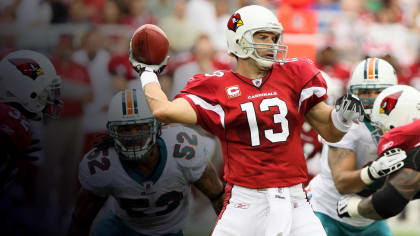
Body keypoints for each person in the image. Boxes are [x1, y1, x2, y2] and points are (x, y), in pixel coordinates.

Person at [129, 5, 365, 236]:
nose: (271, 45)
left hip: (294, 199)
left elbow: (331, 132)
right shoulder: (217, 86)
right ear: (239, 40)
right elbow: (163, 111)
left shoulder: (295, 74)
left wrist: (341, 118)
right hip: (245, 201)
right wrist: (148, 72)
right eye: (262, 37)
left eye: (274, 38)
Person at [68, 88, 225, 236]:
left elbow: (218, 196)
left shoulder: (182, 151)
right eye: (125, 129)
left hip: (169, 232)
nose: (134, 136)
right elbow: (81, 220)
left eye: (140, 127)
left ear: (156, 126)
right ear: (112, 131)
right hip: (121, 228)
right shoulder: (102, 164)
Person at [306, 58, 399, 235]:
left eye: (379, 91)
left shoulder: (401, 119)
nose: (372, 99)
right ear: (353, 92)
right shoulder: (349, 121)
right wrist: (374, 171)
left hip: (367, 216)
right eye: (365, 92)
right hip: (327, 211)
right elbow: (343, 183)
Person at [0, 49, 63, 234]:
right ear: (23, 88)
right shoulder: (9, 120)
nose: (50, 98)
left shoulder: (14, 118)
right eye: (44, 92)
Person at [337, 85, 420, 220]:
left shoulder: (416, 157)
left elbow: (388, 204)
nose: (382, 133)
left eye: (383, 127)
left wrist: (353, 207)